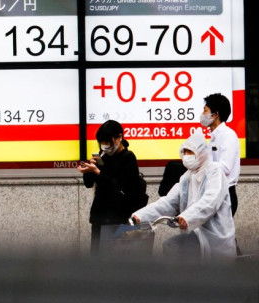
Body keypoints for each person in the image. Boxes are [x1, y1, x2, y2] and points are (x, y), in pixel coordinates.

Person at [131, 129, 235, 260]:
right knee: (173, 247)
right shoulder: (187, 177)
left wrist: (187, 217)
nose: (186, 156)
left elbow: (210, 201)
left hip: (214, 238)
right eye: (184, 152)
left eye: (190, 152)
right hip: (194, 234)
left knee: (173, 246)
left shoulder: (214, 171)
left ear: (201, 153)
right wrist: (140, 216)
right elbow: (168, 202)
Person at [77, 120, 144, 253]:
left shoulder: (128, 157)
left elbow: (121, 187)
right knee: (96, 256)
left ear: (119, 137)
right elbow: (89, 184)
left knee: (112, 258)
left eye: (108, 141)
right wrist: (88, 171)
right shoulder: (103, 155)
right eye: (102, 142)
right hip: (99, 215)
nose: (105, 146)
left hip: (117, 216)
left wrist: (98, 172)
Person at [202, 93, 240, 216]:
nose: (203, 115)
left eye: (205, 111)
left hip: (225, 194)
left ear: (215, 115)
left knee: (223, 234)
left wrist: (202, 166)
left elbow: (226, 168)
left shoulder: (228, 135)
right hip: (213, 191)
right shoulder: (213, 137)